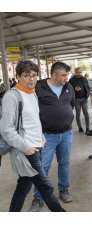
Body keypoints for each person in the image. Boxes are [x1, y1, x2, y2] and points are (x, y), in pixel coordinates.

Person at [0, 60, 65, 212]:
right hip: (27, 150)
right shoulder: (12, 96)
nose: (31, 79)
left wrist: (41, 138)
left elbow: (33, 120)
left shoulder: (33, 93)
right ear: (18, 77)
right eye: (26, 75)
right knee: (46, 189)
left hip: (37, 147)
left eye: (34, 75)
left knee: (23, 187)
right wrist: (26, 147)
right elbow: (6, 129)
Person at [30, 62, 75, 212]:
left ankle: (64, 189)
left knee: (64, 163)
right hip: (46, 136)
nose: (66, 78)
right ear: (53, 75)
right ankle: (38, 196)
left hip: (66, 133)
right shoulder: (39, 87)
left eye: (67, 75)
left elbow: (71, 106)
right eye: (63, 75)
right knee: (43, 167)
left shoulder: (68, 87)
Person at [69, 67, 90, 133]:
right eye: (78, 72)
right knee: (78, 114)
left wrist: (87, 95)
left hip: (84, 99)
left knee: (86, 113)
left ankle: (87, 128)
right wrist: (74, 89)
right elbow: (69, 89)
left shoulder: (84, 79)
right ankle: (80, 127)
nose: (80, 73)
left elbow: (88, 87)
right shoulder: (71, 80)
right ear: (75, 72)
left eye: (81, 72)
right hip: (76, 99)